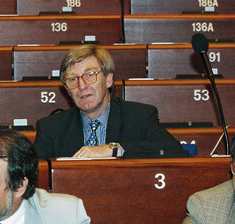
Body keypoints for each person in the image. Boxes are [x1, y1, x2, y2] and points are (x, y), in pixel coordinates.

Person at [33, 45, 184, 160]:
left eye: (90, 75)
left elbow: (174, 151)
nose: (82, 86)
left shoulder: (139, 117)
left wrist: (114, 149)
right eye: (72, 79)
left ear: (109, 79)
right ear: (66, 89)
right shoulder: (51, 128)